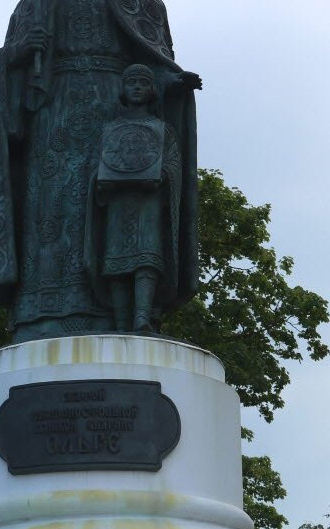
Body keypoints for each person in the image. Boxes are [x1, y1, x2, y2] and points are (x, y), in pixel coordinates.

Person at [0, 0, 201, 342]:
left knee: (123, 218)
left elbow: (152, 64)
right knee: (53, 213)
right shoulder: (35, 3)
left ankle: (125, 315)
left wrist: (173, 84)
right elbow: (8, 63)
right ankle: (42, 313)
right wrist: (18, 51)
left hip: (116, 119)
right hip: (53, 120)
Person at [88, 63, 183, 332]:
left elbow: (174, 163)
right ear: (123, 88)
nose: (137, 87)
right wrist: (101, 181)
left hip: (148, 201)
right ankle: (120, 322)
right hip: (118, 201)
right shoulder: (111, 129)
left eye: (143, 82)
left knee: (146, 258)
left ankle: (141, 318)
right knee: (116, 262)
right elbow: (98, 164)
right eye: (132, 83)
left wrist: (161, 176)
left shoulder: (161, 129)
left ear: (152, 89)